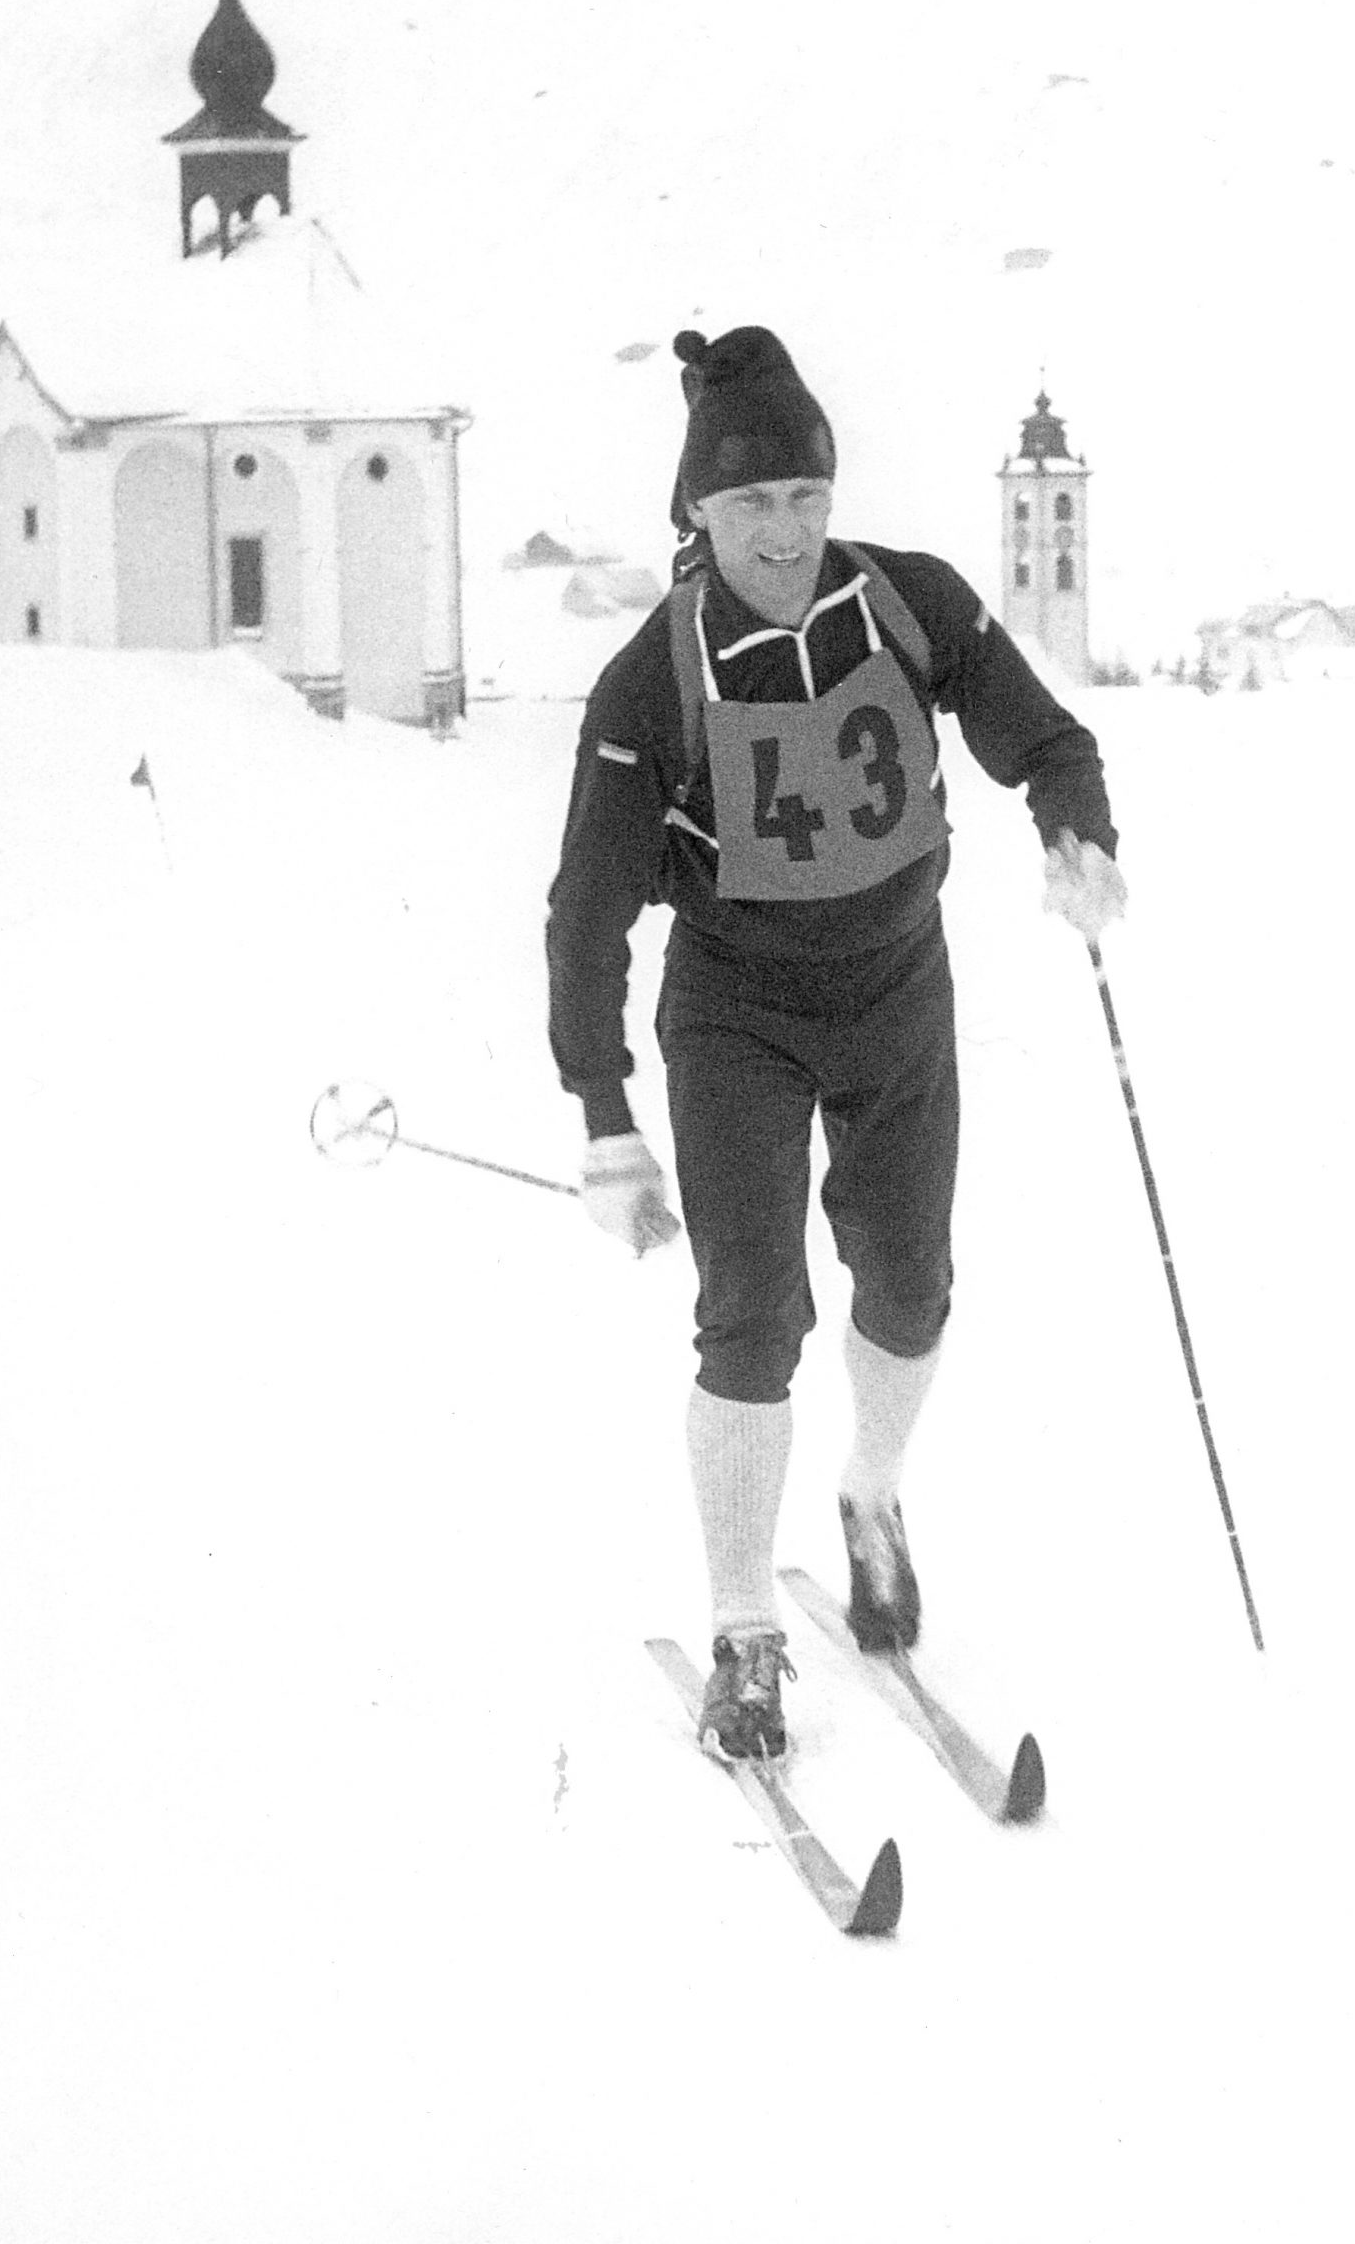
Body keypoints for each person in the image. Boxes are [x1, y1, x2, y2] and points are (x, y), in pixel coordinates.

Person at [545, 326, 1126, 1763]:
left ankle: (870, 1493)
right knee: (753, 1316)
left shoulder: (908, 603)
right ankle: (746, 1629)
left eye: (806, 496)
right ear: (699, 512)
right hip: (735, 1013)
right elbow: (588, 913)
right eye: (752, 504)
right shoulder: (653, 679)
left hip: (895, 991)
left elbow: (1049, 743)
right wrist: (605, 1117)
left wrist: (1080, 838)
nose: (785, 530)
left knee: (912, 1287)